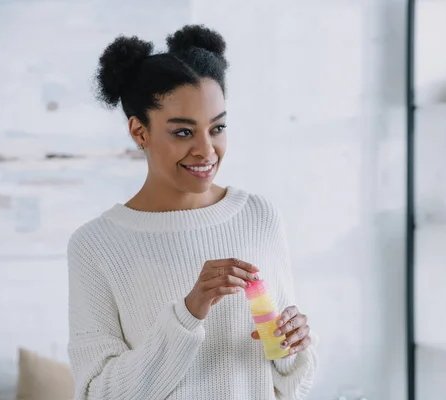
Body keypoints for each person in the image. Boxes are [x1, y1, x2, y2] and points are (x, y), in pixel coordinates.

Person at [66, 25, 318, 400]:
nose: (207, 150)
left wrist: (293, 347)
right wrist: (188, 313)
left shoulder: (259, 216)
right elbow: (97, 393)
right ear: (139, 131)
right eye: (184, 132)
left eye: (217, 128)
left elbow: (289, 386)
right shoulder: (96, 245)